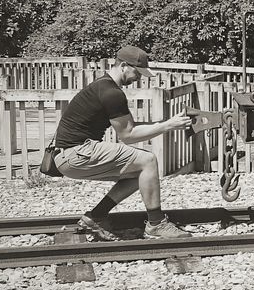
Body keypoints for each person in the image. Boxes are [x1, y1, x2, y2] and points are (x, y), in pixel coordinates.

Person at [50, 45, 194, 240]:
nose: (139, 78)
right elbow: (128, 134)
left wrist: (167, 123)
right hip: (77, 153)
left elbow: (128, 126)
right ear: (124, 66)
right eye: (137, 72)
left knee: (140, 174)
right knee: (148, 161)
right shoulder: (112, 93)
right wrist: (168, 125)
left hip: (67, 155)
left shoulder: (103, 86)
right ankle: (156, 224)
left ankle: (97, 216)